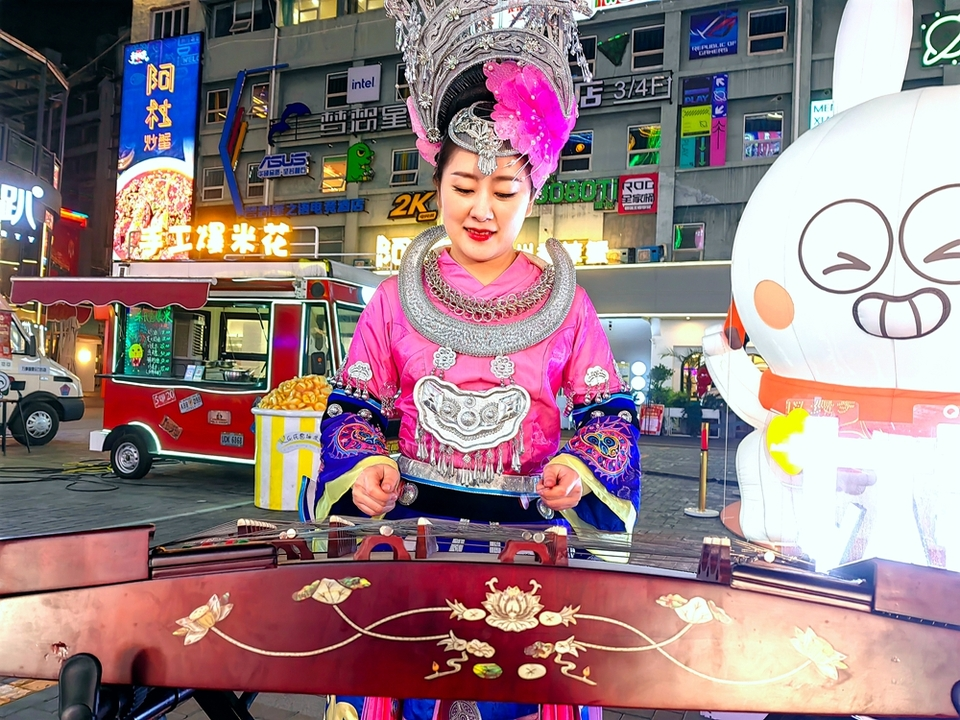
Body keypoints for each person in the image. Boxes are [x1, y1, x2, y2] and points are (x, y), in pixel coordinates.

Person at [298, 1, 641, 718]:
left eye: (503, 190)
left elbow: (607, 415)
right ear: (437, 183)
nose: (481, 207)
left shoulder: (569, 304)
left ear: (533, 192)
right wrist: (364, 470)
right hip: (414, 537)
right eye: (463, 187)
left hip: (528, 543)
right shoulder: (393, 299)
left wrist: (578, 469)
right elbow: (352, 411)